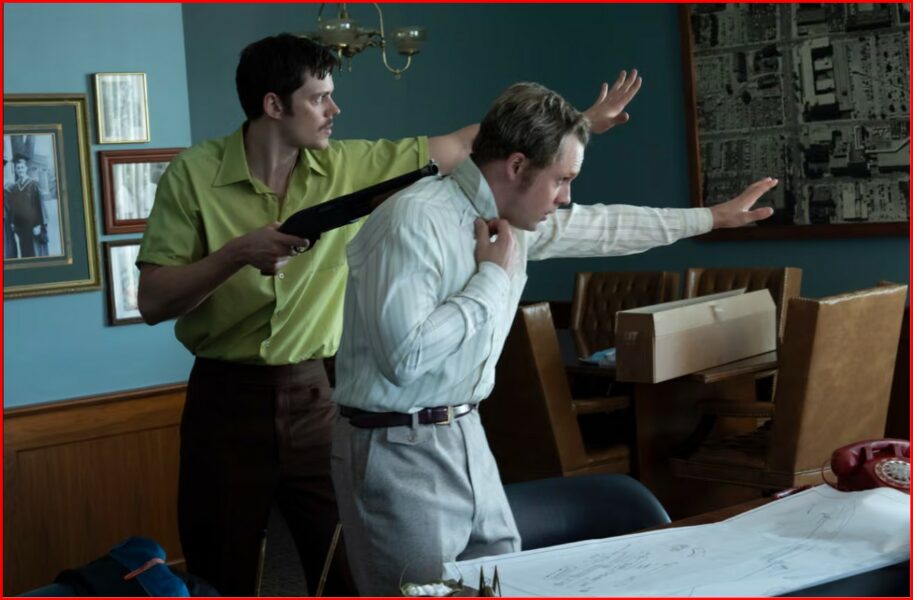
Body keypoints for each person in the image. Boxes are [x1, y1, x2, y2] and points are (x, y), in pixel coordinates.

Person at [135, 33, 634, 596]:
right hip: (224, 402)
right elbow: (153, 301)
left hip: (317, 398)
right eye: (319, 98)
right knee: (219, 575)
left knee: (350, 574)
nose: (335, 109)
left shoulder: (355, 165)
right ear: (274, 105)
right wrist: (236, 255)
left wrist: (581, 123)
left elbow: (478, 144)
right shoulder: (192, 175)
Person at [330, 81, 777, 596]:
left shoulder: (513, 222)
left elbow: (606, 227)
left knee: (501, 587)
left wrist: (713, 218)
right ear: (517, 166)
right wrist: (492, 279)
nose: (566, 197)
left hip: (466, 432)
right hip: (395, 445)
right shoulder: (413, 220)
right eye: (561, 180)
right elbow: (404, 358)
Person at [8, 156, 47, 258]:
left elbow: (40, 206)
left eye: (22, 167)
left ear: (26, 168)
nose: (20, 170)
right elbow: (14, 207)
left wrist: (39, 225)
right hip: (21, 226)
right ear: (16, 170)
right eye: (18, 168)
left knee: (35, 252)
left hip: (33, 225)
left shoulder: (33, 184)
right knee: (25, 252)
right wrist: (13, 222)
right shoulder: (15, 187)